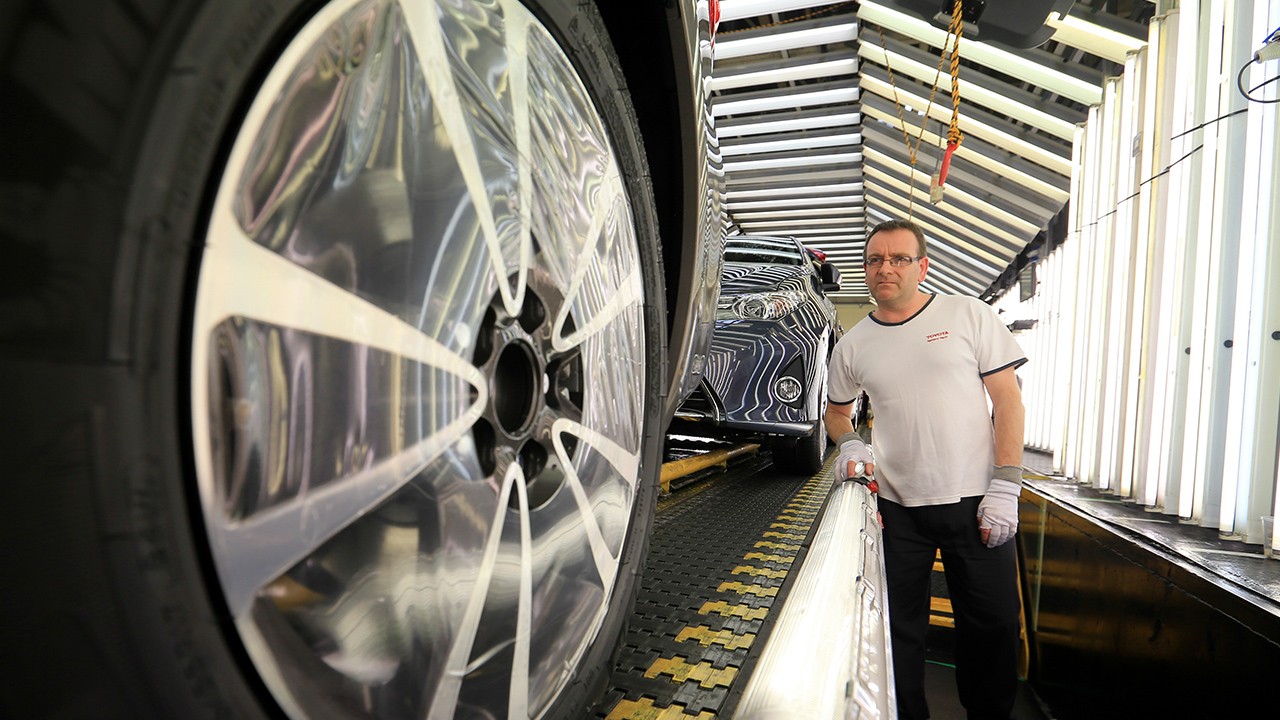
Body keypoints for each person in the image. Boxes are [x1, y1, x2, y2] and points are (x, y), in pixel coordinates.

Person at [825, 219, 1027, 720]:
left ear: (923, 266)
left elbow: (1008, 400)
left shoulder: (968, 315)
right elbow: (835, 412)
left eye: (898, 259)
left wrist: (1006, 486)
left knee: (994, 628)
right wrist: (851, 443)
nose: (885, 269)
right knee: (897, 632)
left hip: (976, 502)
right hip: (897, 510)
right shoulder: (853, 344)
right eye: (875, 260)